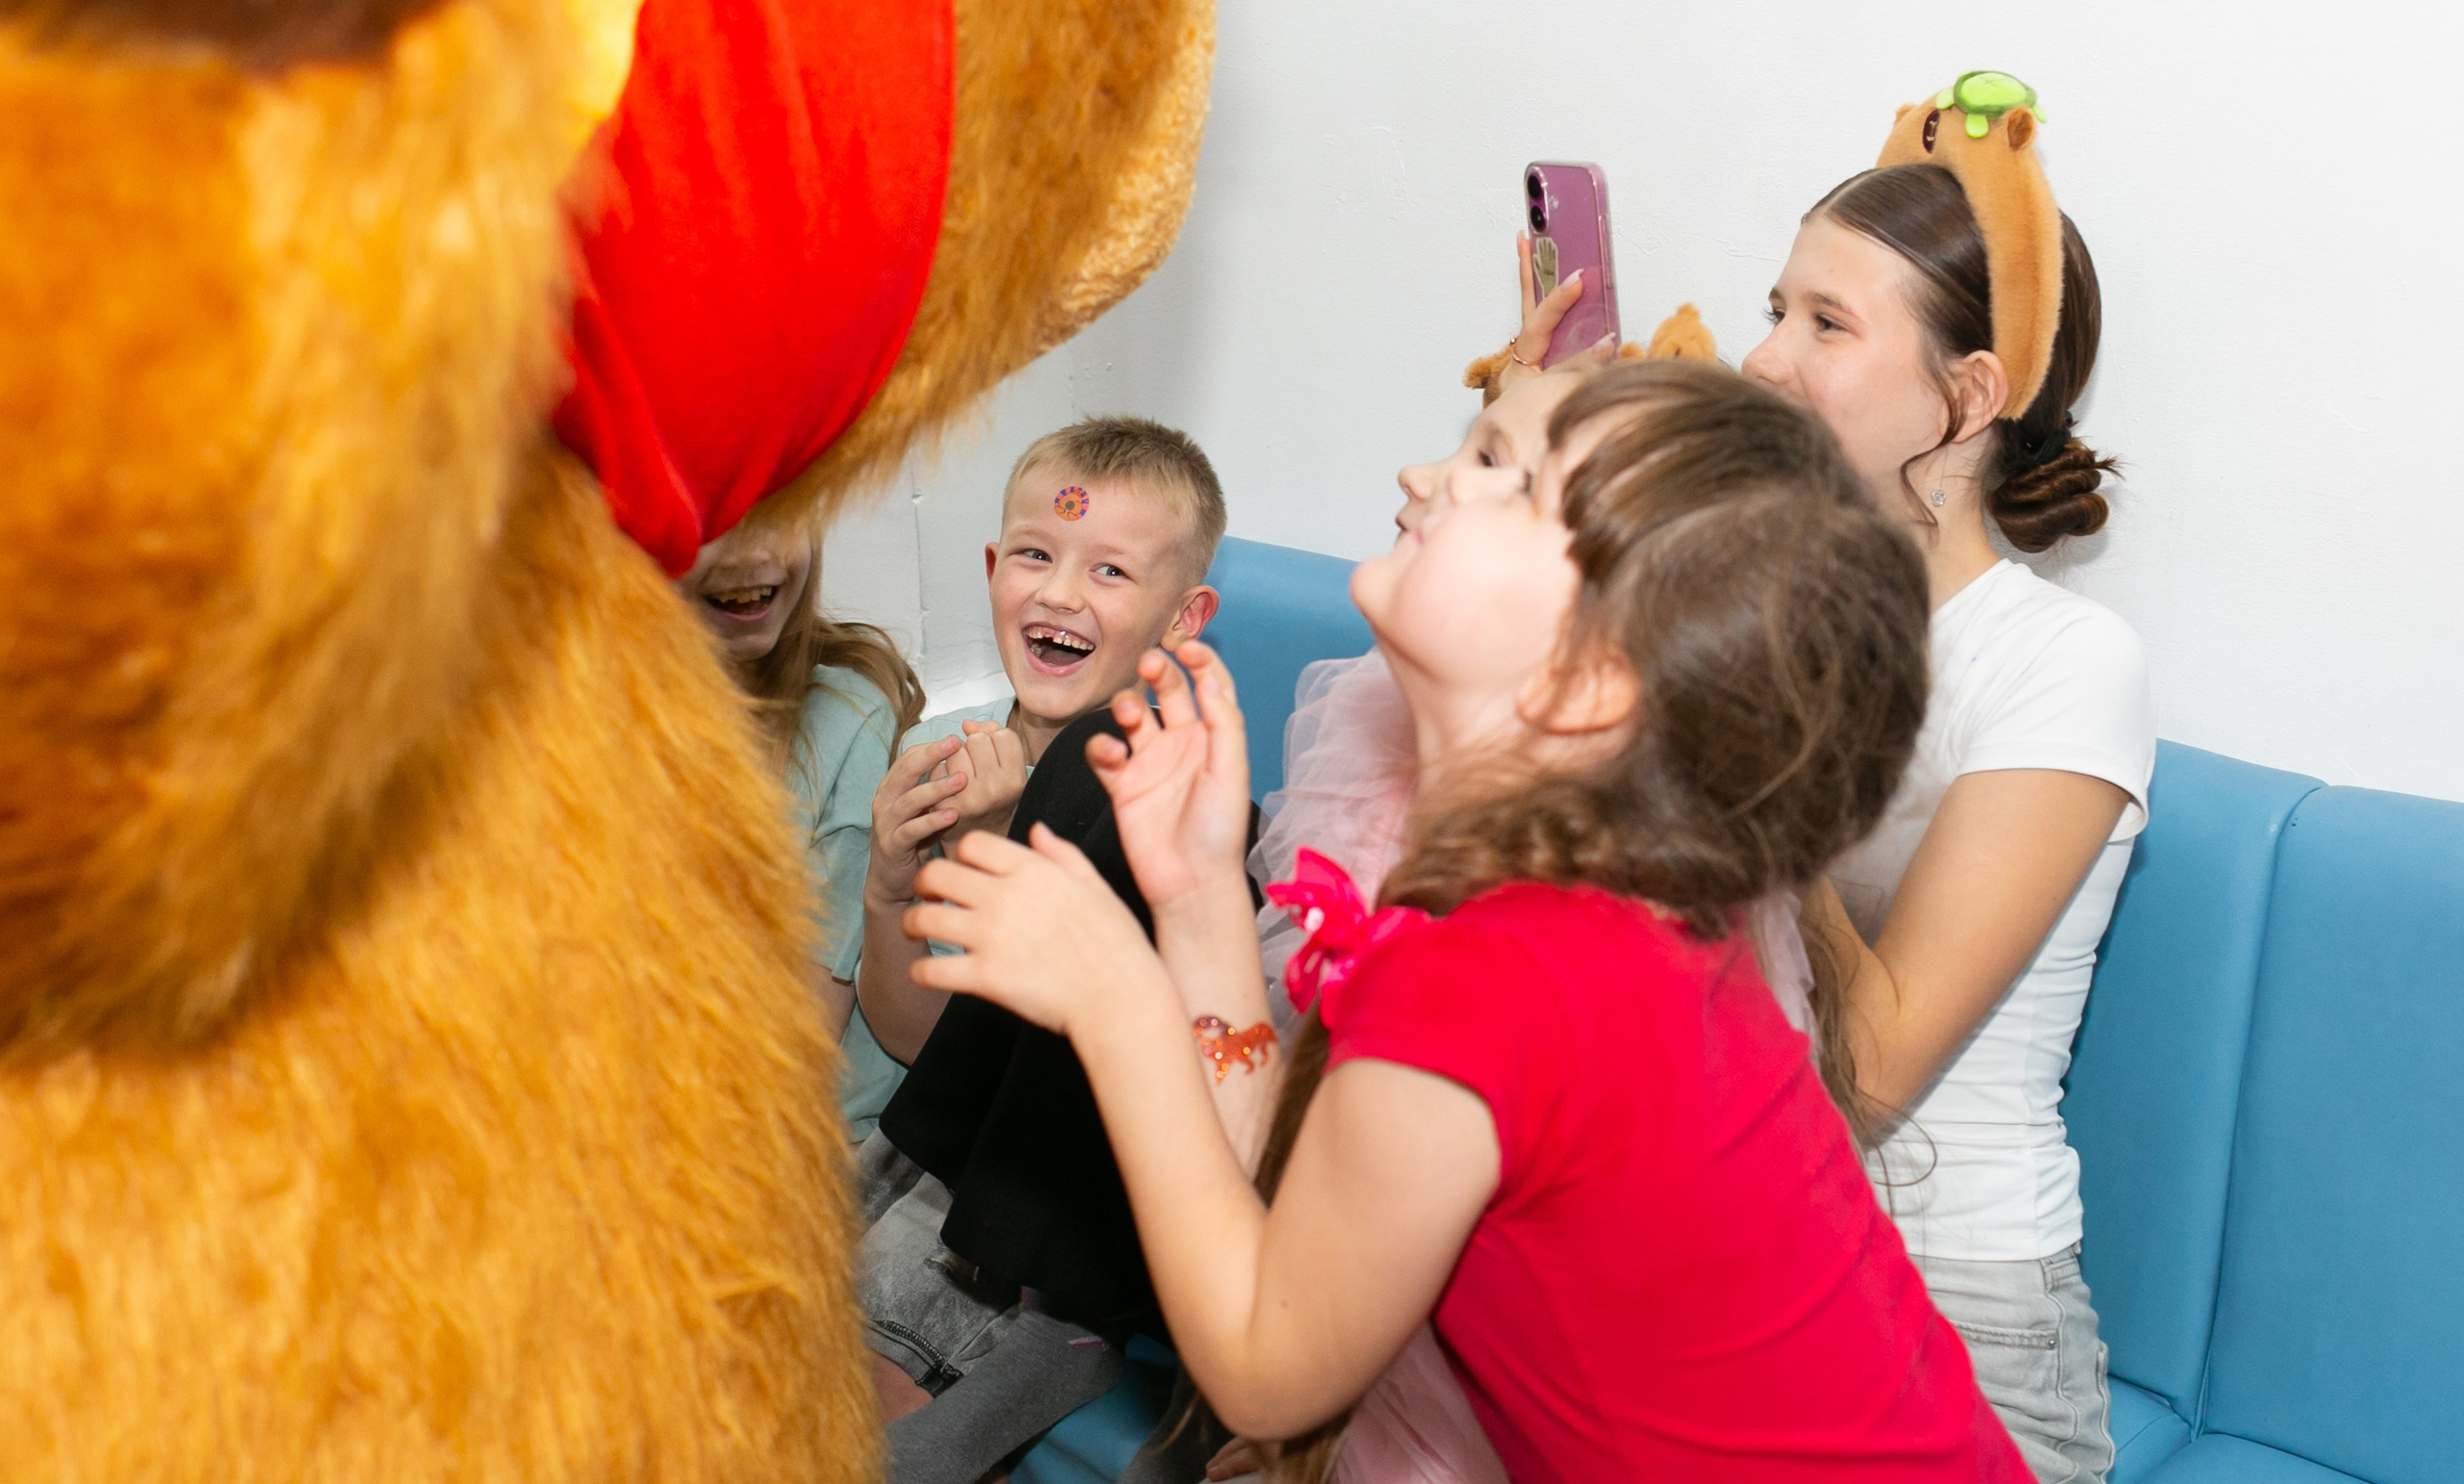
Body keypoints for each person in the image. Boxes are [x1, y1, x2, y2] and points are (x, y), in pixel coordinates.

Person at [901, 363, 2032, 1480]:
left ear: (1591, 681)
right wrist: (1196, 899)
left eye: (1496, 468)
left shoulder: (1503, 975)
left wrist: (1118, 1002)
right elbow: (1312, 1215)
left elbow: (1265, 1364)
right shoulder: (1603, 914)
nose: (1423, 474)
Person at [1512, 78, 2152, 1482]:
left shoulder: (2063, 662)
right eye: (1776, 305)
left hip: (1954, 1305)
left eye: (1826, 324)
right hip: (1729, 1253)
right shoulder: (1766, 605)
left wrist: (1744, 737)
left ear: (1967, 395)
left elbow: (1865, 1075)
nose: (1761, 355)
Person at [849, 417, 1235, 1480]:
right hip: (931, 1163)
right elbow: (918, 1043)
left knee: (1108, 773)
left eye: (1109, 571)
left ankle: (1020, 1329)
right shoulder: (953, 755)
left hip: (1066, 1210)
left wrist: (1018, 851)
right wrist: (897, 882)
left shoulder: (1160, 778)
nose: (1062, 594)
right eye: (1036, 554)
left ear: (1184, 616)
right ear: (992, 569)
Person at [675, 499, 924, 1093]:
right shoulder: (577, 733)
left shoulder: (844, 721)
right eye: (713, 521)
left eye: (781, 510)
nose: (755, 554)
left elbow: (798, 1048)